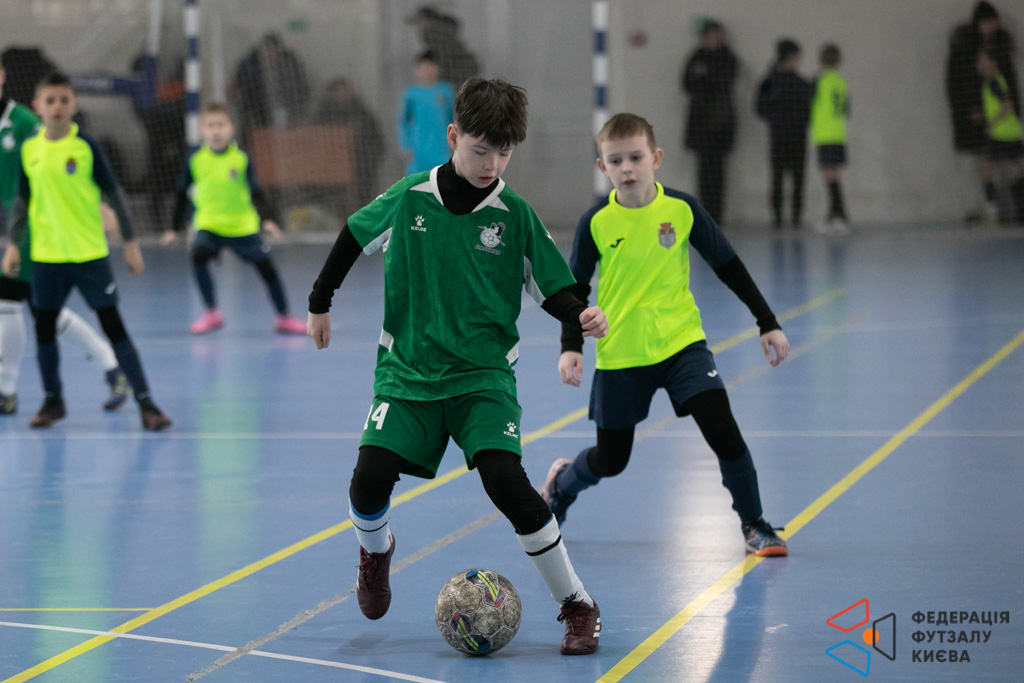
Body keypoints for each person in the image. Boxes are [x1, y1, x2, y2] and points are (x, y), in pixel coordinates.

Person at [308, 78, 608, 655]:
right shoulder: (410, 197)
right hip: (408, 373)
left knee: (507, 483)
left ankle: (577, 603)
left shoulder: (514, 215)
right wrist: (321, 301)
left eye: (504, 153)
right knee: (368, 481)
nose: (491, 164)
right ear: (453, 136)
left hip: (482, 378)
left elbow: (555, 286)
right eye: (480, 150)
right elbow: (353, 234)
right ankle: (375, 552)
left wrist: (580, 315)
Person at [541, 113, 791, 558]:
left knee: (724, 432)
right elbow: (573, 290)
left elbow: (728, 266)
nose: (627, 168)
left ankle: (754, 524)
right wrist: (570, 347)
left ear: (655, 158)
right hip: (622, 354)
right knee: (611, 461)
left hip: (682, 346)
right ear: (602, 167)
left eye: (636, 158)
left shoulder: (682, 209)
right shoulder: (595, 221)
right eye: (615, 161)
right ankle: (562, 484)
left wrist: (766, 321)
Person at [1, 72, 171, 431]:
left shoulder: (85, 146)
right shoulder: (31, 150)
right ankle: (53, 401)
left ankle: (145, 402)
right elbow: (22, 200)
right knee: (44, 329)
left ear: (74, 104)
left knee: (112, 325)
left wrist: (130, 242)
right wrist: (13, 245)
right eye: (50, 101)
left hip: (88, 256)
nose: (57, 107)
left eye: (64, 100)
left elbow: (114, 194)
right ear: (38, 106)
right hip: (46, 257)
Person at [160, 103, 306, 335]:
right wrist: (173, 228)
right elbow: (180, 194)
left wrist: (267, 219)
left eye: (220, 125)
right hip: (209, 225)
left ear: (231, 129)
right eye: (210, 126)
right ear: (202, 131)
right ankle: (211, 313)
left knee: (267, 268)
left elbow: (257, 192)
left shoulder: (240, 159)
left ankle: (284, 318)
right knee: (198, 256)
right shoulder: (196, 160)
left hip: (242, 226)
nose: (216, 131)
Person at [946, 1, 1019, 222]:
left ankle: (999, 210)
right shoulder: (964, 51)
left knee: (997, 166)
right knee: (980, 165)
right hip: (976, 121)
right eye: (986, 23)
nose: (990, 27)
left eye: (993, 23)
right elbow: (956, 86)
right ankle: (985, 210)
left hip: (1000, 124)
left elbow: (1010, 93)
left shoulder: (1000, 52)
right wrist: (968, 112)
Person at [681, 20, 738, 225]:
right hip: (700, 123)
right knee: (703, 170)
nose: (714, 39)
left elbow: (724, 83)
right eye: (710, 35)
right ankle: (704, 212)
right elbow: (687, 83)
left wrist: (706, 81)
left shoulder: (728, 58)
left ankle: (717, 215)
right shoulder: (696, 57)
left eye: (717, 35)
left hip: (721, 122)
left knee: (718, 170)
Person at [755, 39, 812, 230]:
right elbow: (759, 107)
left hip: (796, 137)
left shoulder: (800, 82)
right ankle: (777, 216)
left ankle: (796, 216)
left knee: (797, 179)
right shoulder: (770, 82)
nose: (795, 62)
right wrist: (777, 119)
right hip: (779, 137)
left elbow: (809, 110)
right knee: (778, 178)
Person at [232, 33, 311, 149]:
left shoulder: (290, 65)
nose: (270, 53)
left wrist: (297, 112)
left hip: (285, 111)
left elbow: (301, 87)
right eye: (267, 49)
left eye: (273, 49)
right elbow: (241, 89)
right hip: (257, 113)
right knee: (257, 140)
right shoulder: (250, 65)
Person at [315, 78, 386, 208]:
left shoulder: (362, 112)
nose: (343, 94)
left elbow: (376, 140)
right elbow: (316, 138)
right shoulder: (324, 114)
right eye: (339, 91)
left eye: (345, 90)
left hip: (360, 165)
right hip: (331, 167)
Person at [976, 49, 1024, 223]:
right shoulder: (993, 81)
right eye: (978, 62)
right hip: (1013, 133)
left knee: (985, 168)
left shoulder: (993, 82)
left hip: (1001, 135)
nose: (979, 65)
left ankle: (992, 213)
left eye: (983, 61)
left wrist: (991, 123)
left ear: (993, 64)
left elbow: (1008, 105)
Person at [809, 44, 850, 234]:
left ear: (820, 59)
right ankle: (833, 215)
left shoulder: (819, 81)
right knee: (833, 177)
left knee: (830, 178)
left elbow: (807, 103)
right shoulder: (840, 82)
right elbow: (846, 110)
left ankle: (839, 216)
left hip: (825, 135)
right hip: (838, 134)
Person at [396, 51, 455, 175]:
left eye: (431, 66)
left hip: (441, 149)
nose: (427, 70)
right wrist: (405, 146)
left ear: (437, 68)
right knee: (418, 182)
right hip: (418, 150)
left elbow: (454, 119)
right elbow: (403, 122)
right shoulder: (411, 94)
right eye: (424, 67)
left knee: (442, 179)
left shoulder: (446, 91)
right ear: (416, 70)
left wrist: (455, 143)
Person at [411, 6, 480, 87]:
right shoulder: (440, 45)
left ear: (427, 24)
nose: (417, 30)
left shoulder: (441, 47)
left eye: (419, 24)